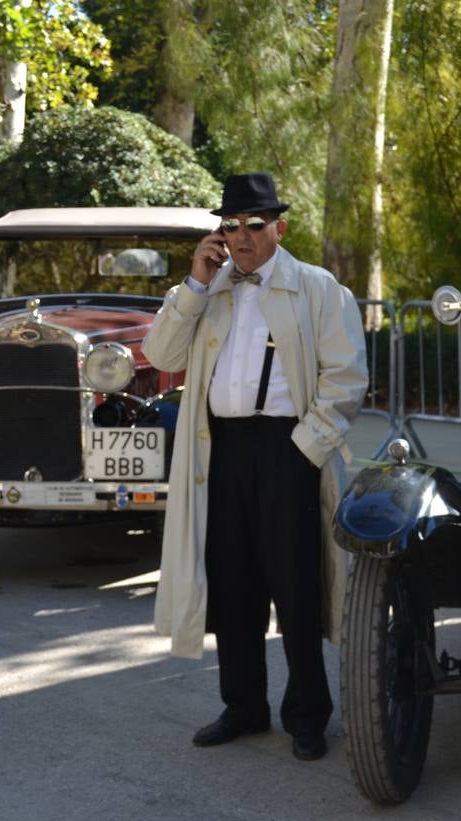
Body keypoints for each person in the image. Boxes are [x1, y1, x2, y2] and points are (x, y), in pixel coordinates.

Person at [142, 172, 368, 762]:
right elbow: (160, 355)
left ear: (279, 228)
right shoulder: (206, 291)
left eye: (254, 225)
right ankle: (243, 706)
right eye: (231, 226)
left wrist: (305, 448)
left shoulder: (317, 289)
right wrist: (194, 282)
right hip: (221, 450)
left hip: (287, 449)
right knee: (232, 587)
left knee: (295, 588)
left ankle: (307, 715)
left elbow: (344, 381)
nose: (241, 237)